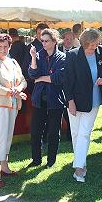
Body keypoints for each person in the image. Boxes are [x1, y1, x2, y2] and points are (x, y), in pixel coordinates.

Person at [64, 28, 102, 182]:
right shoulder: (72, 55)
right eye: (91, 45)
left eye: (96, 44)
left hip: (94, 100)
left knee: (85, 133)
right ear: (84, 43)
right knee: (76, 133)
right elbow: (68, 80)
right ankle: (81, 161)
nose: (94, 48)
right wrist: (70, 101)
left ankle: (79, 168)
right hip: (75, 101)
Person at [0, 34, 27, 188]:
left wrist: (18, 89)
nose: (2, 49)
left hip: (12, 105)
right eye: (0, 46)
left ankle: (5, 168)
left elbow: (23, 80)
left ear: (9, 47)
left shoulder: (13, 62)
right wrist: (12, 92)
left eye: (5, 46)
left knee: (8, 137)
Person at [28, 29, 65, 168]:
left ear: (54, 41)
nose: (43, 43)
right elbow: (32, 74)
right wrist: (32, 57)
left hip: (55, 100)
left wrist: (41, 78)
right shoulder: (37, 55)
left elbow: (59, 78)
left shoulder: (62, 57)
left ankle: (51, 161)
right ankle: (36, 159)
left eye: (46, 40)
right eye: (42, 40)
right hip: (39, 99)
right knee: (36, 132)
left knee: (53, 132)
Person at [58, 30, 76, 140]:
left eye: (71, 39)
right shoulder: (57, 50)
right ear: (63, 39)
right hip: (59, 84)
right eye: (66, 38)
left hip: (71, 85)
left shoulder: (77, 52)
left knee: (70, 109)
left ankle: (70, 133)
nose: (68, 41)